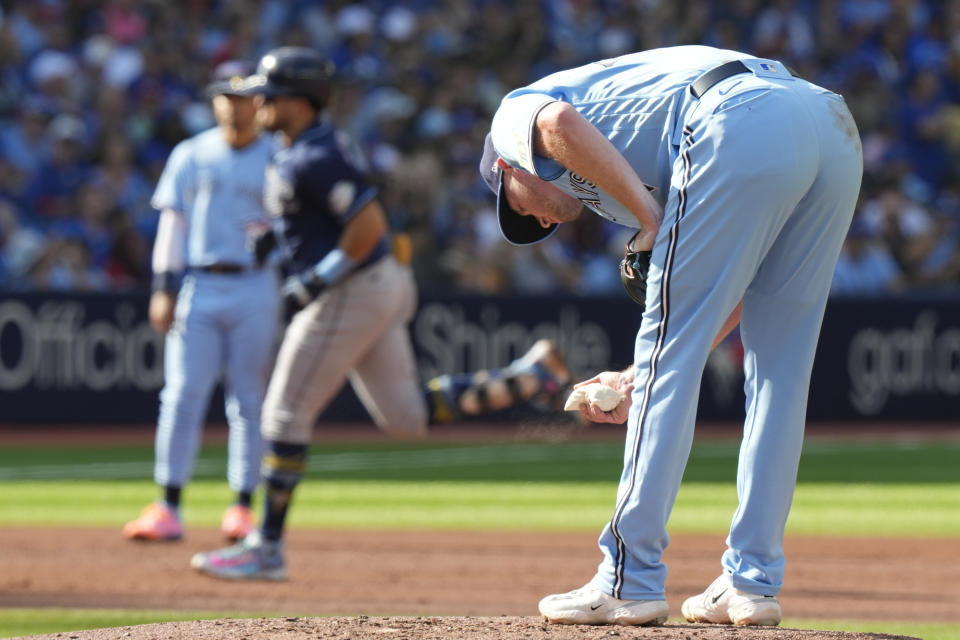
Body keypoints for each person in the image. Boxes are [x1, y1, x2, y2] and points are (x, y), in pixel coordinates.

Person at [480, 46, 862, 626]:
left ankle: (627, 578)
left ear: (509, 169)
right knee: (780, 370)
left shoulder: (510, 121)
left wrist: (650, 222)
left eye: (519, 210)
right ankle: (751, 583)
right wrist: (640, 376)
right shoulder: (615, 175)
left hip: (738, 115)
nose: (538, 223)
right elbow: (736, 292)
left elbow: (553, 123)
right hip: (827, 125)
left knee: (684, 357)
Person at [189, 47, 571, 580]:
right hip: (377, 282)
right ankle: (526, 378)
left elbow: (367, 226)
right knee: (406, 419)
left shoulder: (313, 154)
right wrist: (277, 244)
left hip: (353, 287)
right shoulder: (303, 146)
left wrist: (313, 279)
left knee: (283, 414)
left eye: (270, 94)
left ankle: (265, 548)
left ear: (300, 100)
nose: (260, 102)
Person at [122, 61, 280, 542]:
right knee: (181, 396)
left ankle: (241, 508)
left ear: (260, 102)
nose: (235, 107)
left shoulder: (277, 154)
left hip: (257, 284)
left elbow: (293, 226)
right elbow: (173, 225)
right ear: (213, 103)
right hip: (201, 283)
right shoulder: (191, 154)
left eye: (244, 98)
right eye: (226, 98)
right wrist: (163, 288)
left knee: (250, 401)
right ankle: (168, 506)